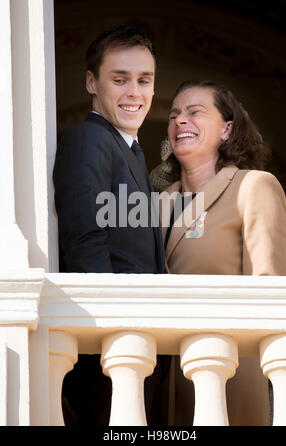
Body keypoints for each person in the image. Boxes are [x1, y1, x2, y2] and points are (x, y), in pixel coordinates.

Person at [151, 79, 286, 425]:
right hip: (164, 381)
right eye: (174, 114)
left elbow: (269, 291)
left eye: (195, 112)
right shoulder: (157, 203)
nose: (180, 120)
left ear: (227, 129)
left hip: (232, 377)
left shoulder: (253, 186)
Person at [53, 25, 169, 426]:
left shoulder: (132, 152)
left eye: (144, 80)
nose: (134, 92)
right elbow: (86, 241)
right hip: (110, 349)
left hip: (134, 344)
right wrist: (111, 335)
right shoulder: (89, 139)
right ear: (92, 82)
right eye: (119, 80)